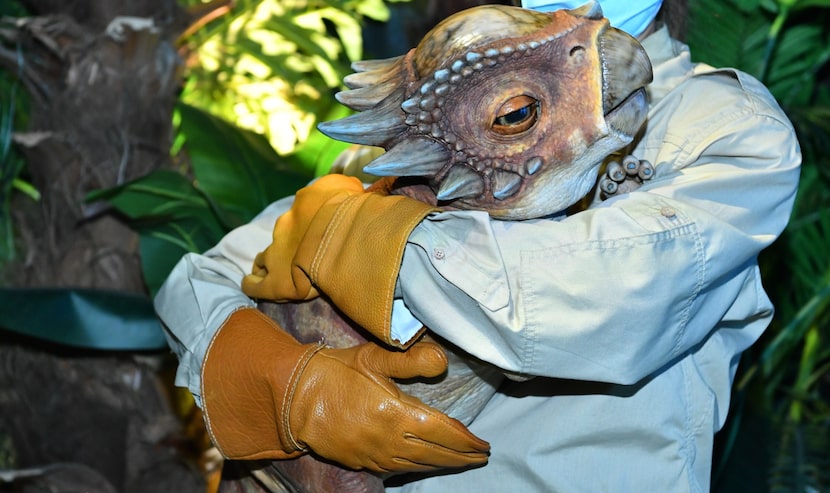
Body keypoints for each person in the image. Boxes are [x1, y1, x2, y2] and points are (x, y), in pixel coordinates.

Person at [154, 0, 802, 490]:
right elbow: (197, 282)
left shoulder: (725, 128)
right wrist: (289, 389)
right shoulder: (445, 105)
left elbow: (590, 306)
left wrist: (374, 243)